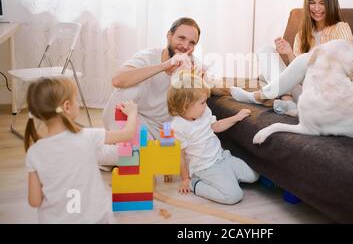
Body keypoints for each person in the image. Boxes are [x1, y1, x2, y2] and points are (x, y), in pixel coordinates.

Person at [230, 0, 353, 116]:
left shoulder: (341, 28)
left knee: (305, 59)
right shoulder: (302, 35)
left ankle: (257, 96)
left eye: (322, 3)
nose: (317, 8)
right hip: (302, 95)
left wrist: (313, 63)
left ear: (330, 4)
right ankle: (288, 102)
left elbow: (349, 66)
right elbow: (294, 75)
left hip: (328, 96)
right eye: (312, 3)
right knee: (265, 51)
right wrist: (289, 53)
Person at [24, 77, 138, 223]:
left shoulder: (34, 153)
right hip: (95, 218)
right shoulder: (88, 136)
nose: (77, 103)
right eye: (75, 99)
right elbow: (127, 134)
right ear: (67, 107)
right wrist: (132, 113)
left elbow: (34, 201)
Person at [101, 17, 204, 165]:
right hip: (129, 119)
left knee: (138, 158)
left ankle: (115, 154)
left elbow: (213, 87)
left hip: (156, 130)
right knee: (129, 86)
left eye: (191, 43)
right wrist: (164, 66)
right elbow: (117, 80)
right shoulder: (148, 57)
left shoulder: (193, 67)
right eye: (181, 38)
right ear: (169, 36)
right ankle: (118, 149)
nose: (185, 46)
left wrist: (194, 82)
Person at [167, 72, 259, 205]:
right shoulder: (177, 126)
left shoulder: (204, 111)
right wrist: (185, 179)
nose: (206, 105)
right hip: (205, 168)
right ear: (185, 106)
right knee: (234, 196)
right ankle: (196, 185)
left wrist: (236, 117)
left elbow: (216, 126)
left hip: (222, 157)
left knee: (254, 176)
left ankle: (227, 179)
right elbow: (179, 155)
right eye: (202, 102)